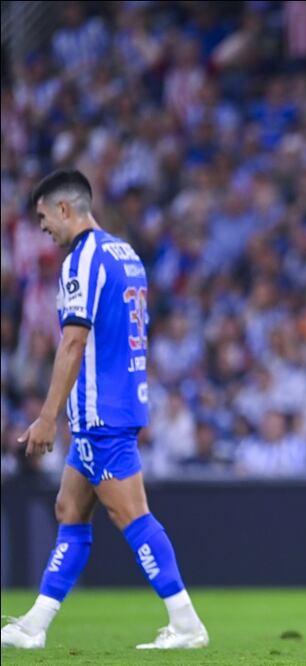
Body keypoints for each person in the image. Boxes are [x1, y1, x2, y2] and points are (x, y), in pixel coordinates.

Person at [1, 170, 208, 650]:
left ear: (64, 209)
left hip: (100, 411)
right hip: (117, 399)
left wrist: (47, 415)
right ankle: (35, 625)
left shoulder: (83, 260)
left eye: (43, 217)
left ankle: (185, 621)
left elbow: (74, 342)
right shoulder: (125, 253)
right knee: (68, 508)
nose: (43, 228)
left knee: (132, 517)